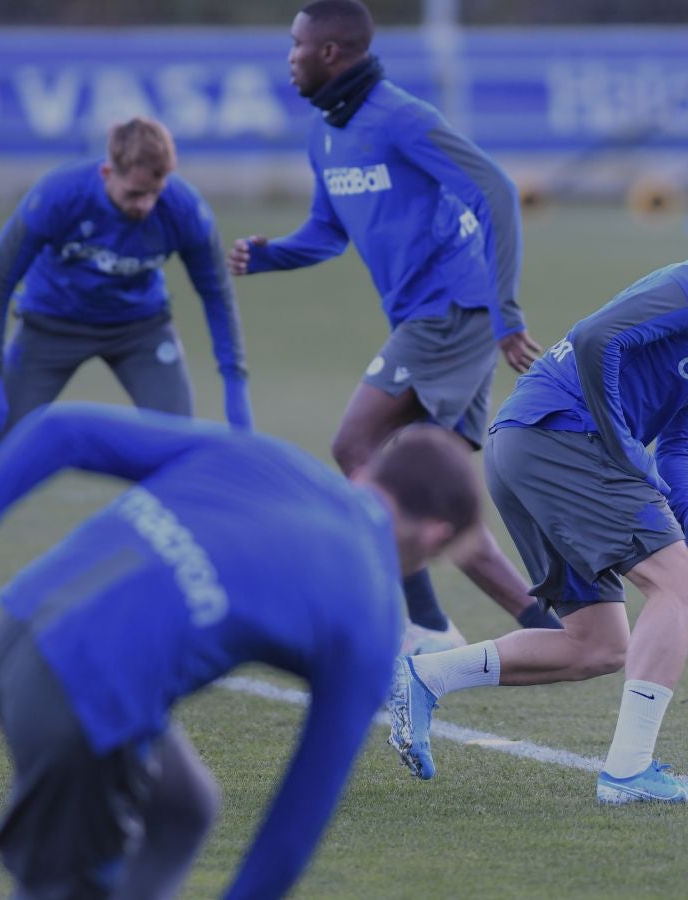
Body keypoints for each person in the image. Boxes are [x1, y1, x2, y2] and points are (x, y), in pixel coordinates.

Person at [387, 208, 688, 803]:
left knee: (598, 646)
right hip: (555, 437)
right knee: (680, 588)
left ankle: (424, 676)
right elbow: (597, 338)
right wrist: (623, 447)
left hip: (533, 446)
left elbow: (680, 443)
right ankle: (627, 775)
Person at [0, 402, 481, 898]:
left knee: (183, 807)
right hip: (76, 701)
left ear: (371, 474)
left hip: (21, 624)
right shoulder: (372, 611)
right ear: (436, 535)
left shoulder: (268, 457)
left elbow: (60, 427)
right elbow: (296, 822)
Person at [226, 0, 558, 653]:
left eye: (295, 45)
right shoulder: (324, 132)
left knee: (355, 446)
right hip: (424, 318)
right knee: (428, 491)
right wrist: (271, 257)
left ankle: (425, 626)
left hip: (452, 311)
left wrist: (505, 309)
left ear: (329, 53)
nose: (287, 57)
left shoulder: (400, 118)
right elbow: (326, 232)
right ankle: (553, 630)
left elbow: (495, 189)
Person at [0, 117, 251, 480]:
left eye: (155, 192)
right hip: (50, 326)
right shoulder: (58, 196)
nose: (146, 205)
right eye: (135, 194)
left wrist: (235, 385)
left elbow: (216, 294)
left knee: (175, 451)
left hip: (140, 331)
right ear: (106, 172)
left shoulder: (185, 211)